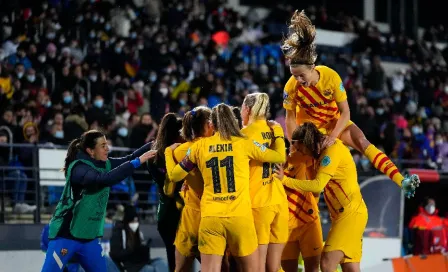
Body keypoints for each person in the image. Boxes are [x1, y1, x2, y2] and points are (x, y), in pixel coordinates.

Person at [281, 10, 419, 198]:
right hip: (310, 132)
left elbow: (345, 112)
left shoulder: (331, 77)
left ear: (312, 67)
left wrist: (334, 135)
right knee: (308, 181)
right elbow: (289, 119)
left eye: (301, 75)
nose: (298, 79)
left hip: (335, 123)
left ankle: (401, 181)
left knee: (363, 142)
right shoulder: (291, 86)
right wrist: (294, 144)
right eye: (294, 75)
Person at [165, 103, 286, 272]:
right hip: (240, 217)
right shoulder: (245, 143)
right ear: (233, 120)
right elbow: (279, 156)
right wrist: (279, 134)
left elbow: (174, 176)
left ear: (212, 124)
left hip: (211, 217)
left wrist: (167, 154)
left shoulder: (198, 147)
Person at [41, 130, 156, 272]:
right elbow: (104, 179)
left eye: (106, 144)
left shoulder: (104, 163)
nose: (107, 148)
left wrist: (154, 144)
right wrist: (138, 162)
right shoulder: (79, 168)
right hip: (66, 235)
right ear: (90, 150)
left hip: (89, 237)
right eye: (102, 145)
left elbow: (130, 157)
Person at [274, 122, 368, 272]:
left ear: (307, 143)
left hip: (350, 213)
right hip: (343, 214)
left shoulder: (331, 152)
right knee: (350, 266)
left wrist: (284, 180)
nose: (298, 152)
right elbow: (291, 158)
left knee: (326, 262)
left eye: (299, 148)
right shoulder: (316, 151)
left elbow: (318, 186)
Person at [240, 93, 288, 272]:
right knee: (273, 268)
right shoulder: (275, 129)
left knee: (257, 266)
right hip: (279, 201)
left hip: (258, 202)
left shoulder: (244, 135)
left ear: (248, 109)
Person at [164, 106, 213, 271]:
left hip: (191, 215)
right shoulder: (217, 146)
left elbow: (171, 180)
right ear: (207, 125)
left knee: (181, 268)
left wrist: (167, 153)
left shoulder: (180, 151)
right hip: (215, 212)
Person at [146, 113, 184, 272]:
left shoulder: (153, 156)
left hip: (165, 214)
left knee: (173, 260)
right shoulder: (183, 152)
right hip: (181, 211)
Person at [280, 149, 322, 272]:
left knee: (313, 268)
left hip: (308, 222)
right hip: (284, 227)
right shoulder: (264, 167)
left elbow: (312, 148)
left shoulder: (299, 158)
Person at [110, 205, 169, 272]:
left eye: (136, 221)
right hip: (129, 266)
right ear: (127, 221)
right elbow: (115, 254)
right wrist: (132, 250)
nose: (135, 224)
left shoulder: (138, 233)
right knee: (149, 269)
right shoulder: (119, 233)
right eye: (133, 221)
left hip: (141, 263)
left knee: (161, 263)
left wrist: (144, 249)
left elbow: (144, 256)